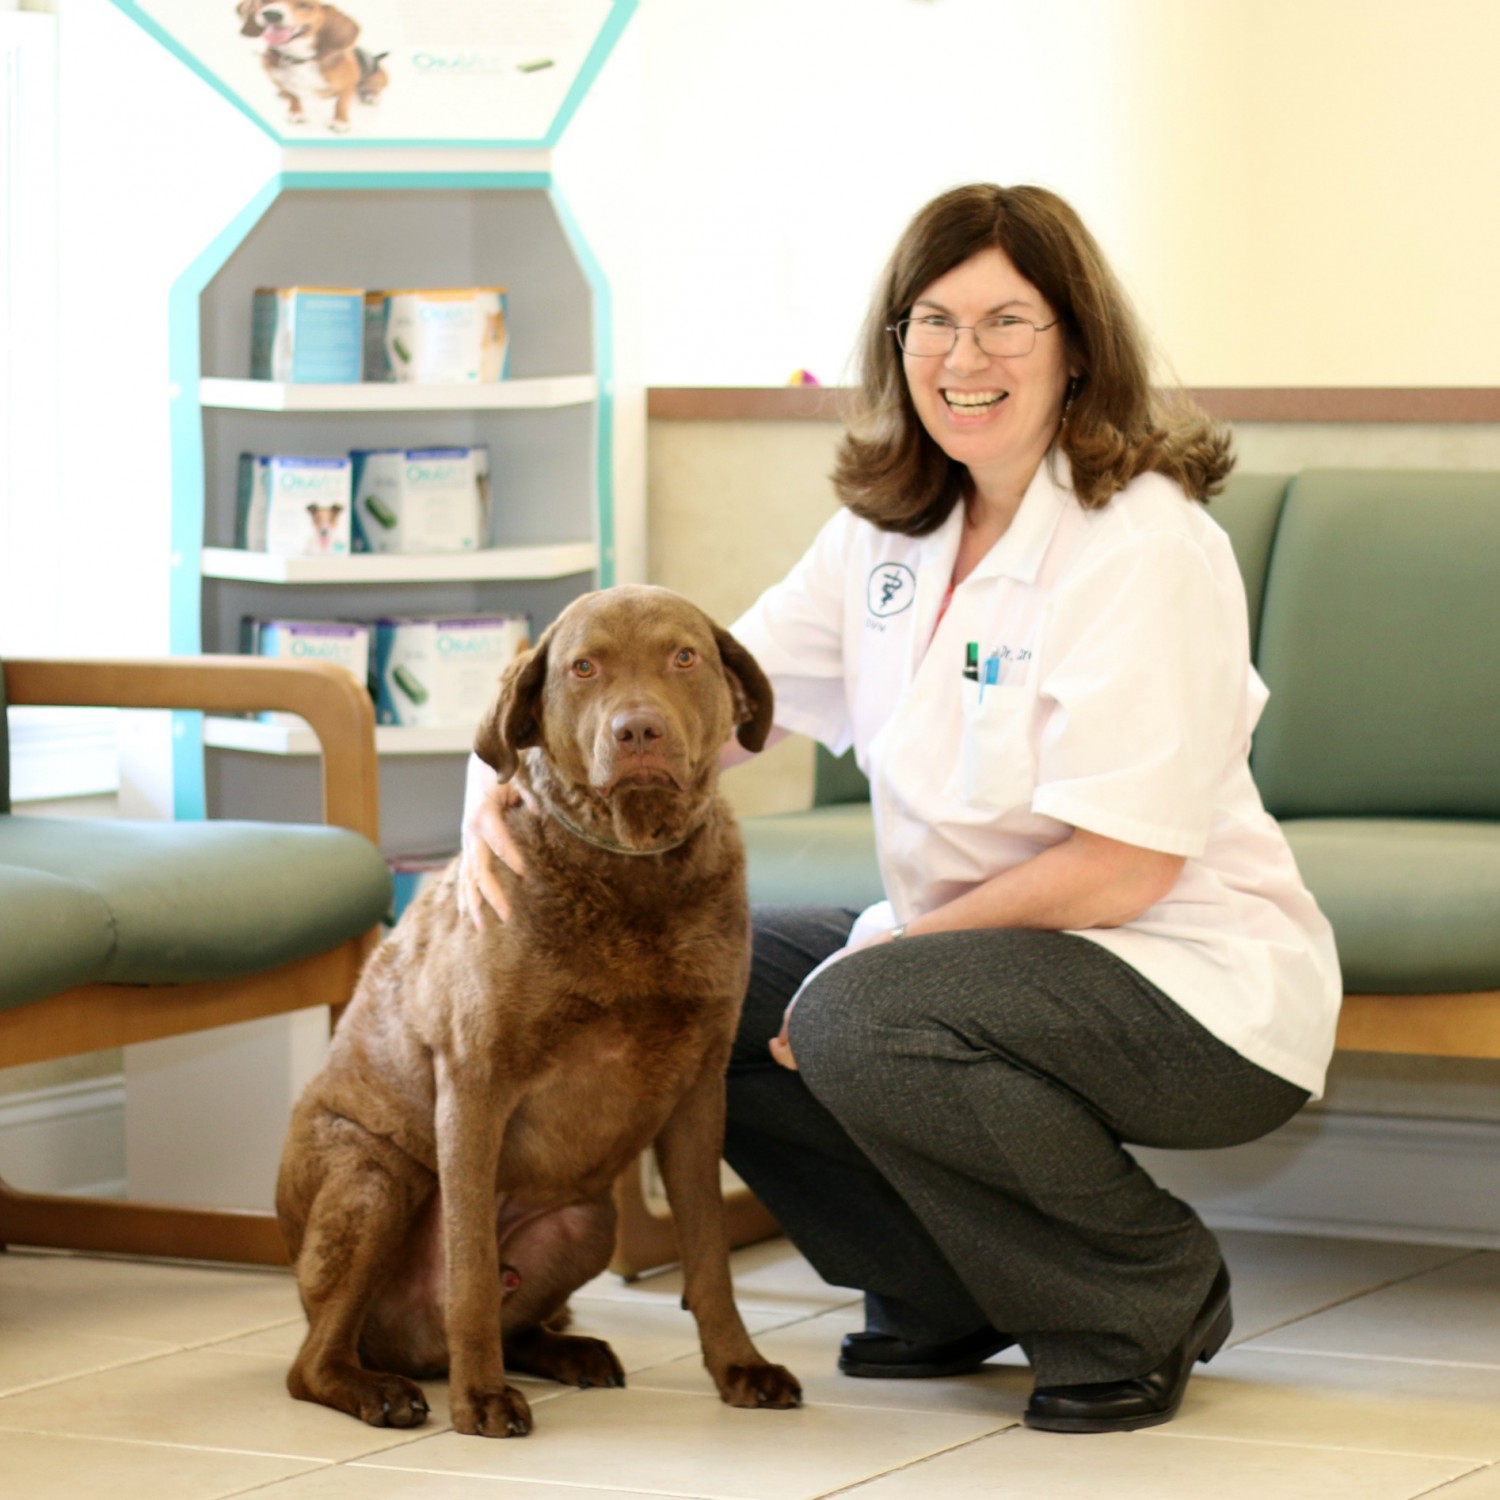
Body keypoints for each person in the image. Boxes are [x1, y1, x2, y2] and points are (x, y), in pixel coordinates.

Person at [460, 183, 1341, 1435]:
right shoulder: (888, 536)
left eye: (1005, 323)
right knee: (721, 971)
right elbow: (710, 697)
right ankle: (942, 1289)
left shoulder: (1144, 543)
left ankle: (1143, 1296)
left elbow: (1125, 867)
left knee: (858, 1010)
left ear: (1077, 345)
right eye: (931, 322)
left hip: (1186, 985)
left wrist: (888, 960)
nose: (962, 358)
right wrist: (493, 793)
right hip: (983, 968)